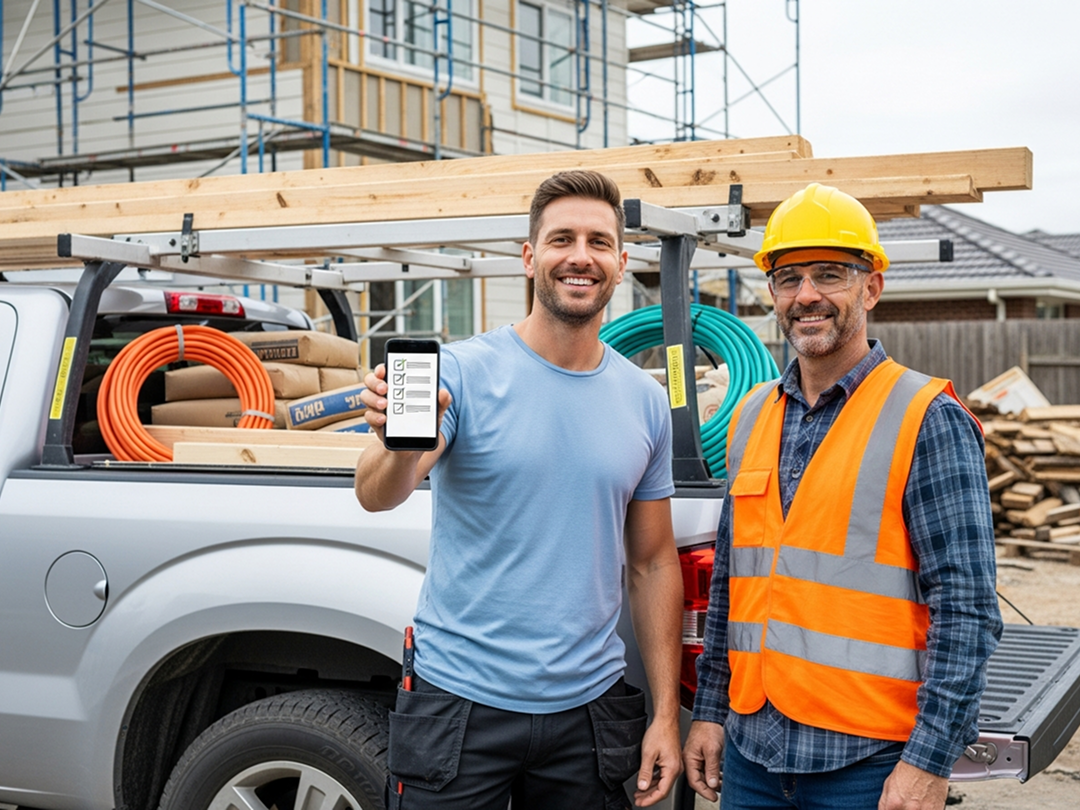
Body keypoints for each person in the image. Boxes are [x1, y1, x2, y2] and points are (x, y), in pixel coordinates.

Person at [355, 169, 683, 809]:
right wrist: (400, 445)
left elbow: (651, 562)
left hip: (588, 713)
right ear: (531, 257)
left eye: (598, 241)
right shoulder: (461, 372)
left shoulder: (645, 402)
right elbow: (377, 494)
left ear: (621, 262)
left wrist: (666, 716)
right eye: (562, 239)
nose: (580, 256)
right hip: (457, 705)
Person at [682, 183, 1002, 810]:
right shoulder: (751, 417)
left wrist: (929, 763)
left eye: (830, 275)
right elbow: (731, 588)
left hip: (869, 764)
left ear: (871, 287)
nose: (807, 295)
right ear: (772, 294)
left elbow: (965, 608)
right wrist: (711, 712)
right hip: (753, 754)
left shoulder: (926, 416)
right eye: (789, 278)